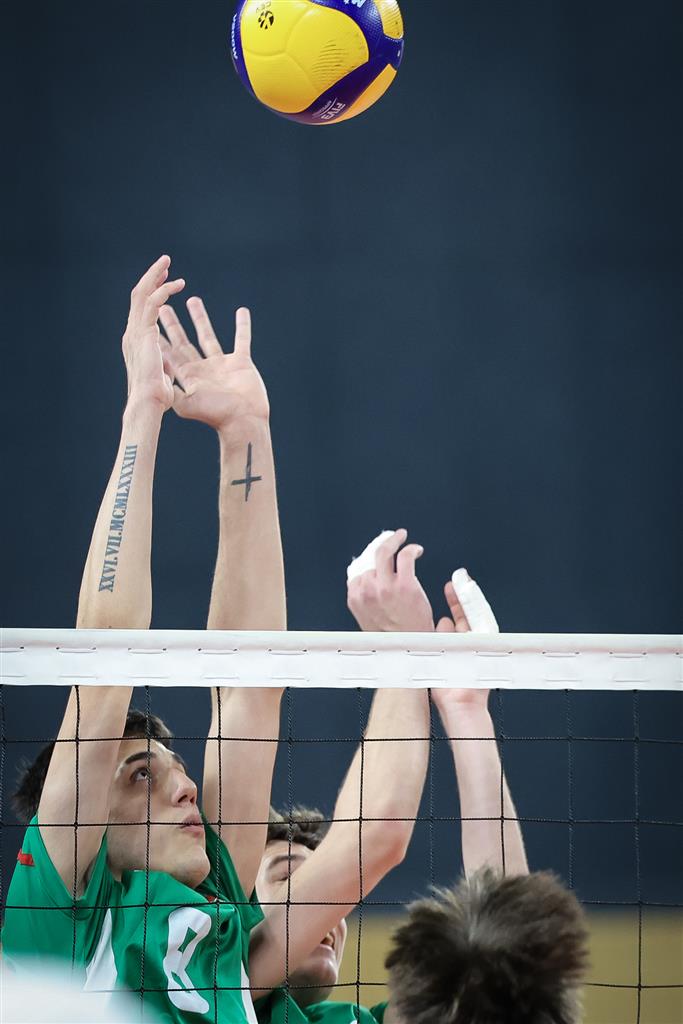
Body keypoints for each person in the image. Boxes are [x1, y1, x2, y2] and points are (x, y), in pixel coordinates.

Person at [4, 254, 285, 1024]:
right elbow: (103, 668)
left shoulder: (215, 893)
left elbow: (252, 685)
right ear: (85, 830)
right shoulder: (55, 925)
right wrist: (143, 409)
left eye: (173, 769)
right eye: (139, 777)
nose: (185, 788)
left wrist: (245, 432)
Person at [254, 533, 589, 1024]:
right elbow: (375, 836)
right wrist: (402, 649)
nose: (327, 905)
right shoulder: (202, 988)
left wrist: (466, 711)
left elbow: (514, 961)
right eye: (289, 877)